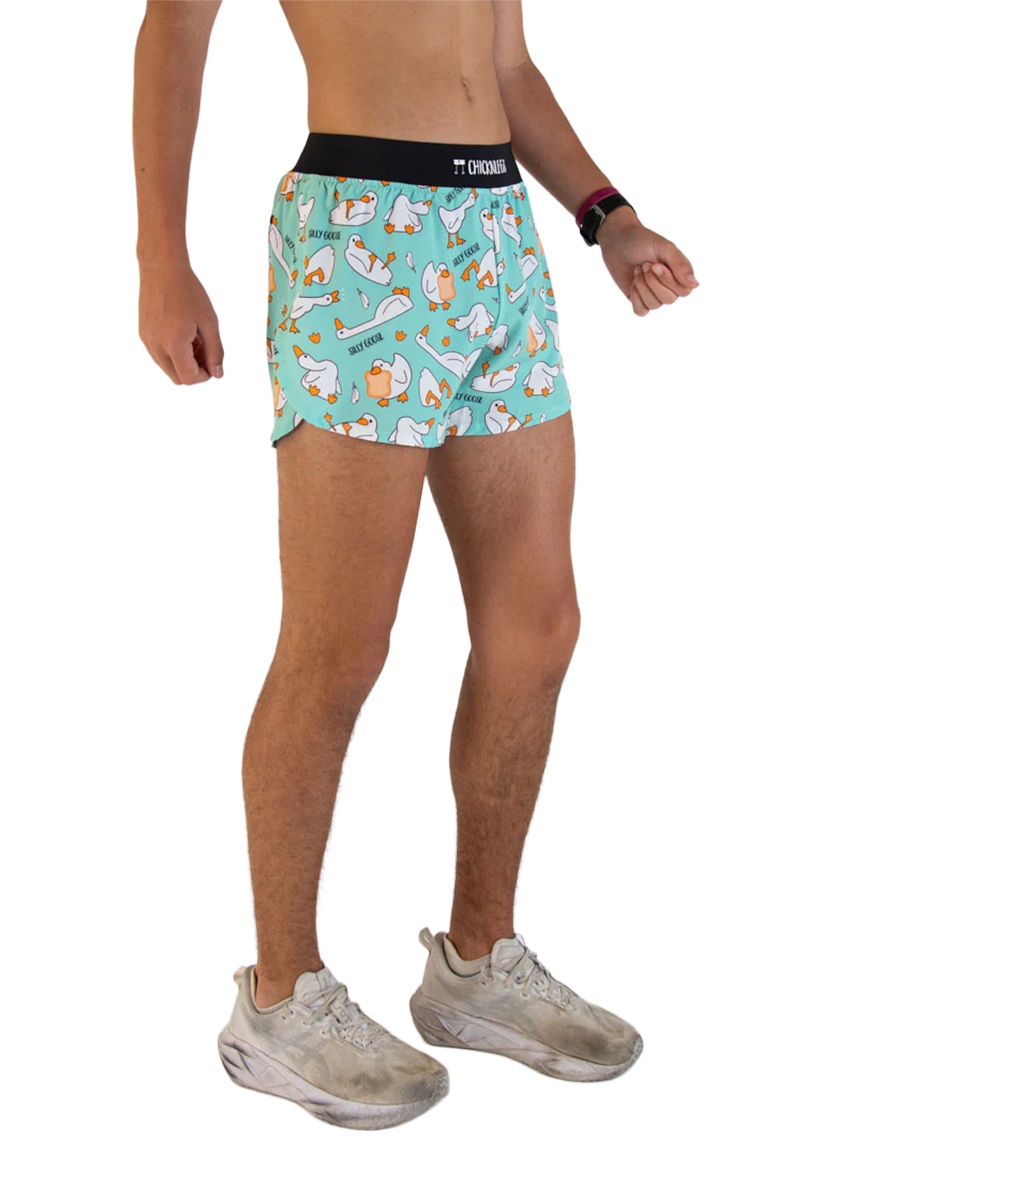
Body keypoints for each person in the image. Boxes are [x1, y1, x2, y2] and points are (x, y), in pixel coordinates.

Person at [134, 0, 697, 1129]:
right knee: (338, 647)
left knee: (537, 631)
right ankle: (280, 1001)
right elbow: (173, 33)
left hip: (497, 236)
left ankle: (476, 968)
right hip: (361, 228)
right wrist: (162, 260)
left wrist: (608, 215)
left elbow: (506, 63)